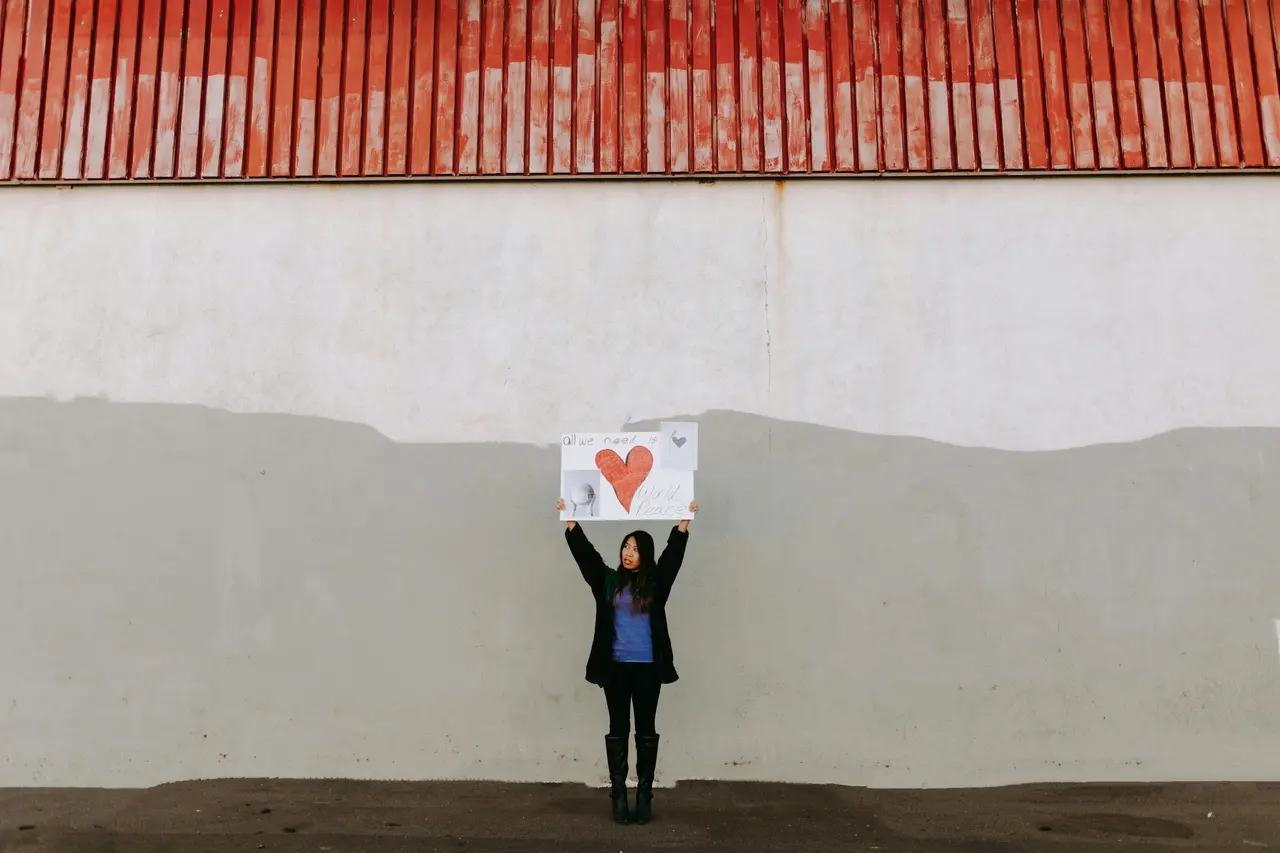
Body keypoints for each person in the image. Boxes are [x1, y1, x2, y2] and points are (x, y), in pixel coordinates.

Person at [554, 497, 699, 825]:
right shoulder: (607, 582)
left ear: (644, 555)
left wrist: (682, 526)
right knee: (618, 729)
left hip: (648, 668)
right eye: (625, 546)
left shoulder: (656, 585)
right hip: (615, 669)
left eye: (635, 548)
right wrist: (572, 525)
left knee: (646, 730)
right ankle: (619, 797)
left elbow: (671, 560)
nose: (628, 552)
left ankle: (644, 796)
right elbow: (587, 559)